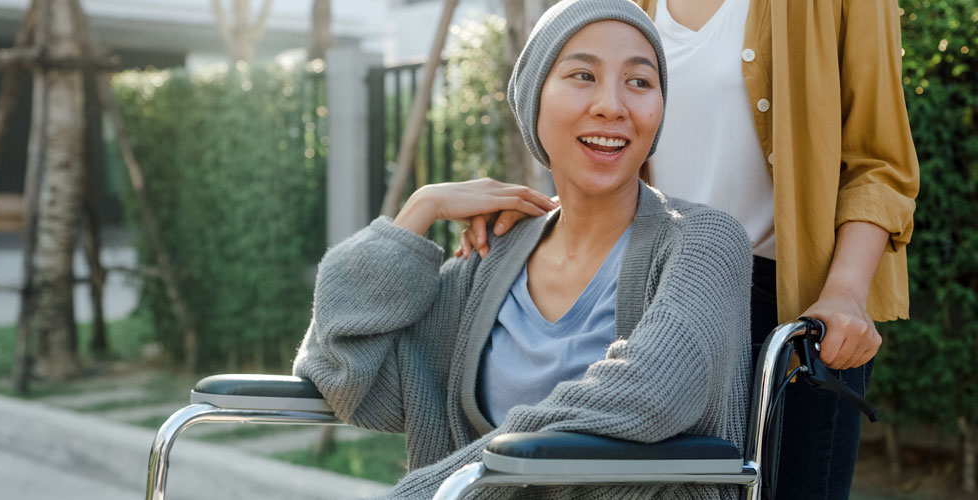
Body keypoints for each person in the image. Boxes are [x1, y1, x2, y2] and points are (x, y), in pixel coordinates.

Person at [292, 0, 753, 498]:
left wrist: (444, 487)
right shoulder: (492, 261)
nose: (612, 105)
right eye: (582, 75)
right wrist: (417, 213)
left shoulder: (705, 243)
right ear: (534, 101)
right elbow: (341, 372)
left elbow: (652, 394)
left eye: (639, 82)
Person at [462, 0, 920, 497]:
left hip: (792, 306)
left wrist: (846, 293)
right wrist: (557, 215)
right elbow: (611, 134)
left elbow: (878, 160)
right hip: (655, 286)